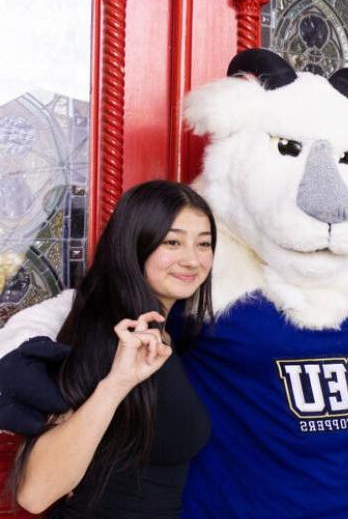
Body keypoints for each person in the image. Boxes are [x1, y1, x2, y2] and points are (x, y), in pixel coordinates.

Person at [11, 180, 215, 518]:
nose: (192, 260)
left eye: (204, 244)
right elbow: (35, 493)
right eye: (173, 242)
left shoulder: (157, 332)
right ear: (135, 244)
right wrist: (117, 383)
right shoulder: (112, 336)